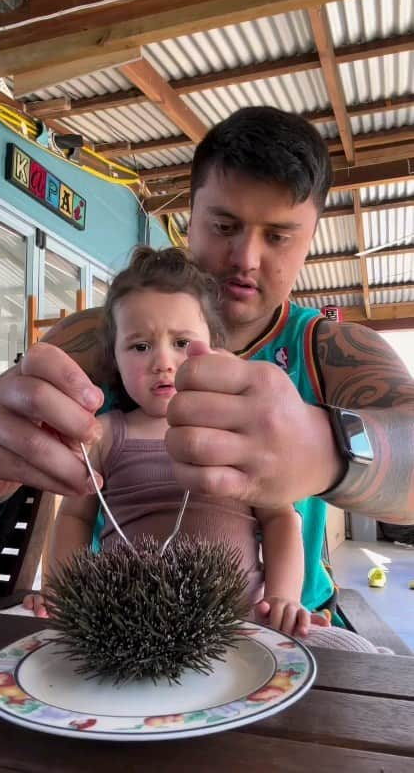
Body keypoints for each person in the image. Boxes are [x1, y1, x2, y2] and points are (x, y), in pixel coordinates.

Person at [0, 106, 413, 624]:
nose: (246, 256)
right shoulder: (96, 338)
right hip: (121, 621)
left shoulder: (326, 351)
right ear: (189, 217)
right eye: (224, 225)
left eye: (278, 236)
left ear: (311, 238)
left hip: (282, 626)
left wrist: (330, 450)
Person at [24, 245, 313, 638]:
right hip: (124, 628)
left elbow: (281, 518)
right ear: (115, 357)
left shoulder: (241, 434)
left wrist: (283, 599)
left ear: (214, 347)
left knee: (353, 651)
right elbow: (74, 517)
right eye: (140, 346)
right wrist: (61, 591)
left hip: (238, 624)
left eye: (181, 343)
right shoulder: (104, 434)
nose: (162, 361)